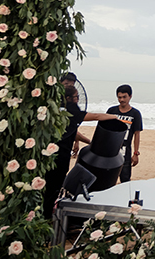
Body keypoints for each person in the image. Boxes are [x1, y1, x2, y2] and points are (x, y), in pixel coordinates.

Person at [41, 72, 119, 215]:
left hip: (48, 152)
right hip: (61, 155)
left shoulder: (56, 109)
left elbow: (73, 132)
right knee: (54, 186)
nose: (78, 99)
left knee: (47, 184)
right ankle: (47, 214)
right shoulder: (72, 111)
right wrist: (115, 116)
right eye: (76, 97)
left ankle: (44, 211)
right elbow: (95, 116)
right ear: (69, 98)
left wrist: (88, 142)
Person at [106, 84, 144, 183]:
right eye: (119, 97)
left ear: (130, 96)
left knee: (125, 179)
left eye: (124, 97)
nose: (122, 100)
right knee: (108, 179)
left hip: (125, 152)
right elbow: (105, 130)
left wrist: (135, 153)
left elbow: (137, 134)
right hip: (110, 150)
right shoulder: (111, 111)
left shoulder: (135, 114)